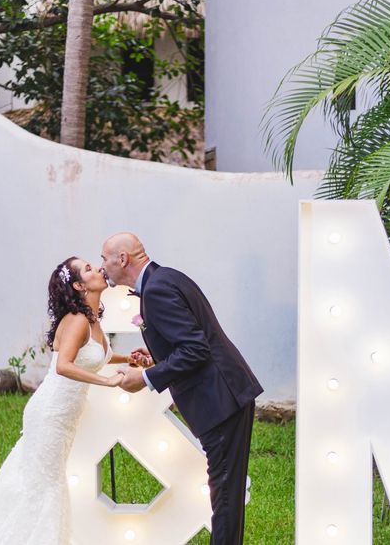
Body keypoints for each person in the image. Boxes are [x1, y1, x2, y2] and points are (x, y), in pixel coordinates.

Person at [0, 256, 148, 544]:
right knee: (45, 486)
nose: (97, 269)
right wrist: (108, 381)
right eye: (88, 269)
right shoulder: (77, 320)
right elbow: (65, 365)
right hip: (50, 414)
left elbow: (97, 356)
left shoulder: (92, 318)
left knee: (42, 483)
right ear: (78, 285)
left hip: (64, 417)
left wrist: (129, 359)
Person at [100, 233, 263, 545]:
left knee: (225, 498)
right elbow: (192, 338)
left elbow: (195, 349)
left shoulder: (157, 290)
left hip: (219, 400)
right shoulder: (165, 277)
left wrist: (146, 379)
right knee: (225, 495)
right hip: (225, 394)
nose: (102, 266)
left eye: (105, 258)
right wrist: (158, 356)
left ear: (122, 259)